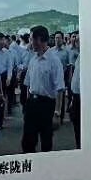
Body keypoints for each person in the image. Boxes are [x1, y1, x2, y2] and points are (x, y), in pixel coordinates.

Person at [23, 25, 63, 153]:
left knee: (46, 141)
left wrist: (57, 113)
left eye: (31, 39)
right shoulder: (33, 60)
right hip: (32, 104)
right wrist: (27, 104)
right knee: (28, 142)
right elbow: (28, 84)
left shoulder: (54, 61)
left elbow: (60, 88)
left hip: (47, 105)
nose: (30, 42)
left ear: (39, 39)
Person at [69, 46, 81, 147]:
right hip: (76, 95)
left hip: (83, 97)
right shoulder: (80, 56)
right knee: (76, 123)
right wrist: (72, 99)